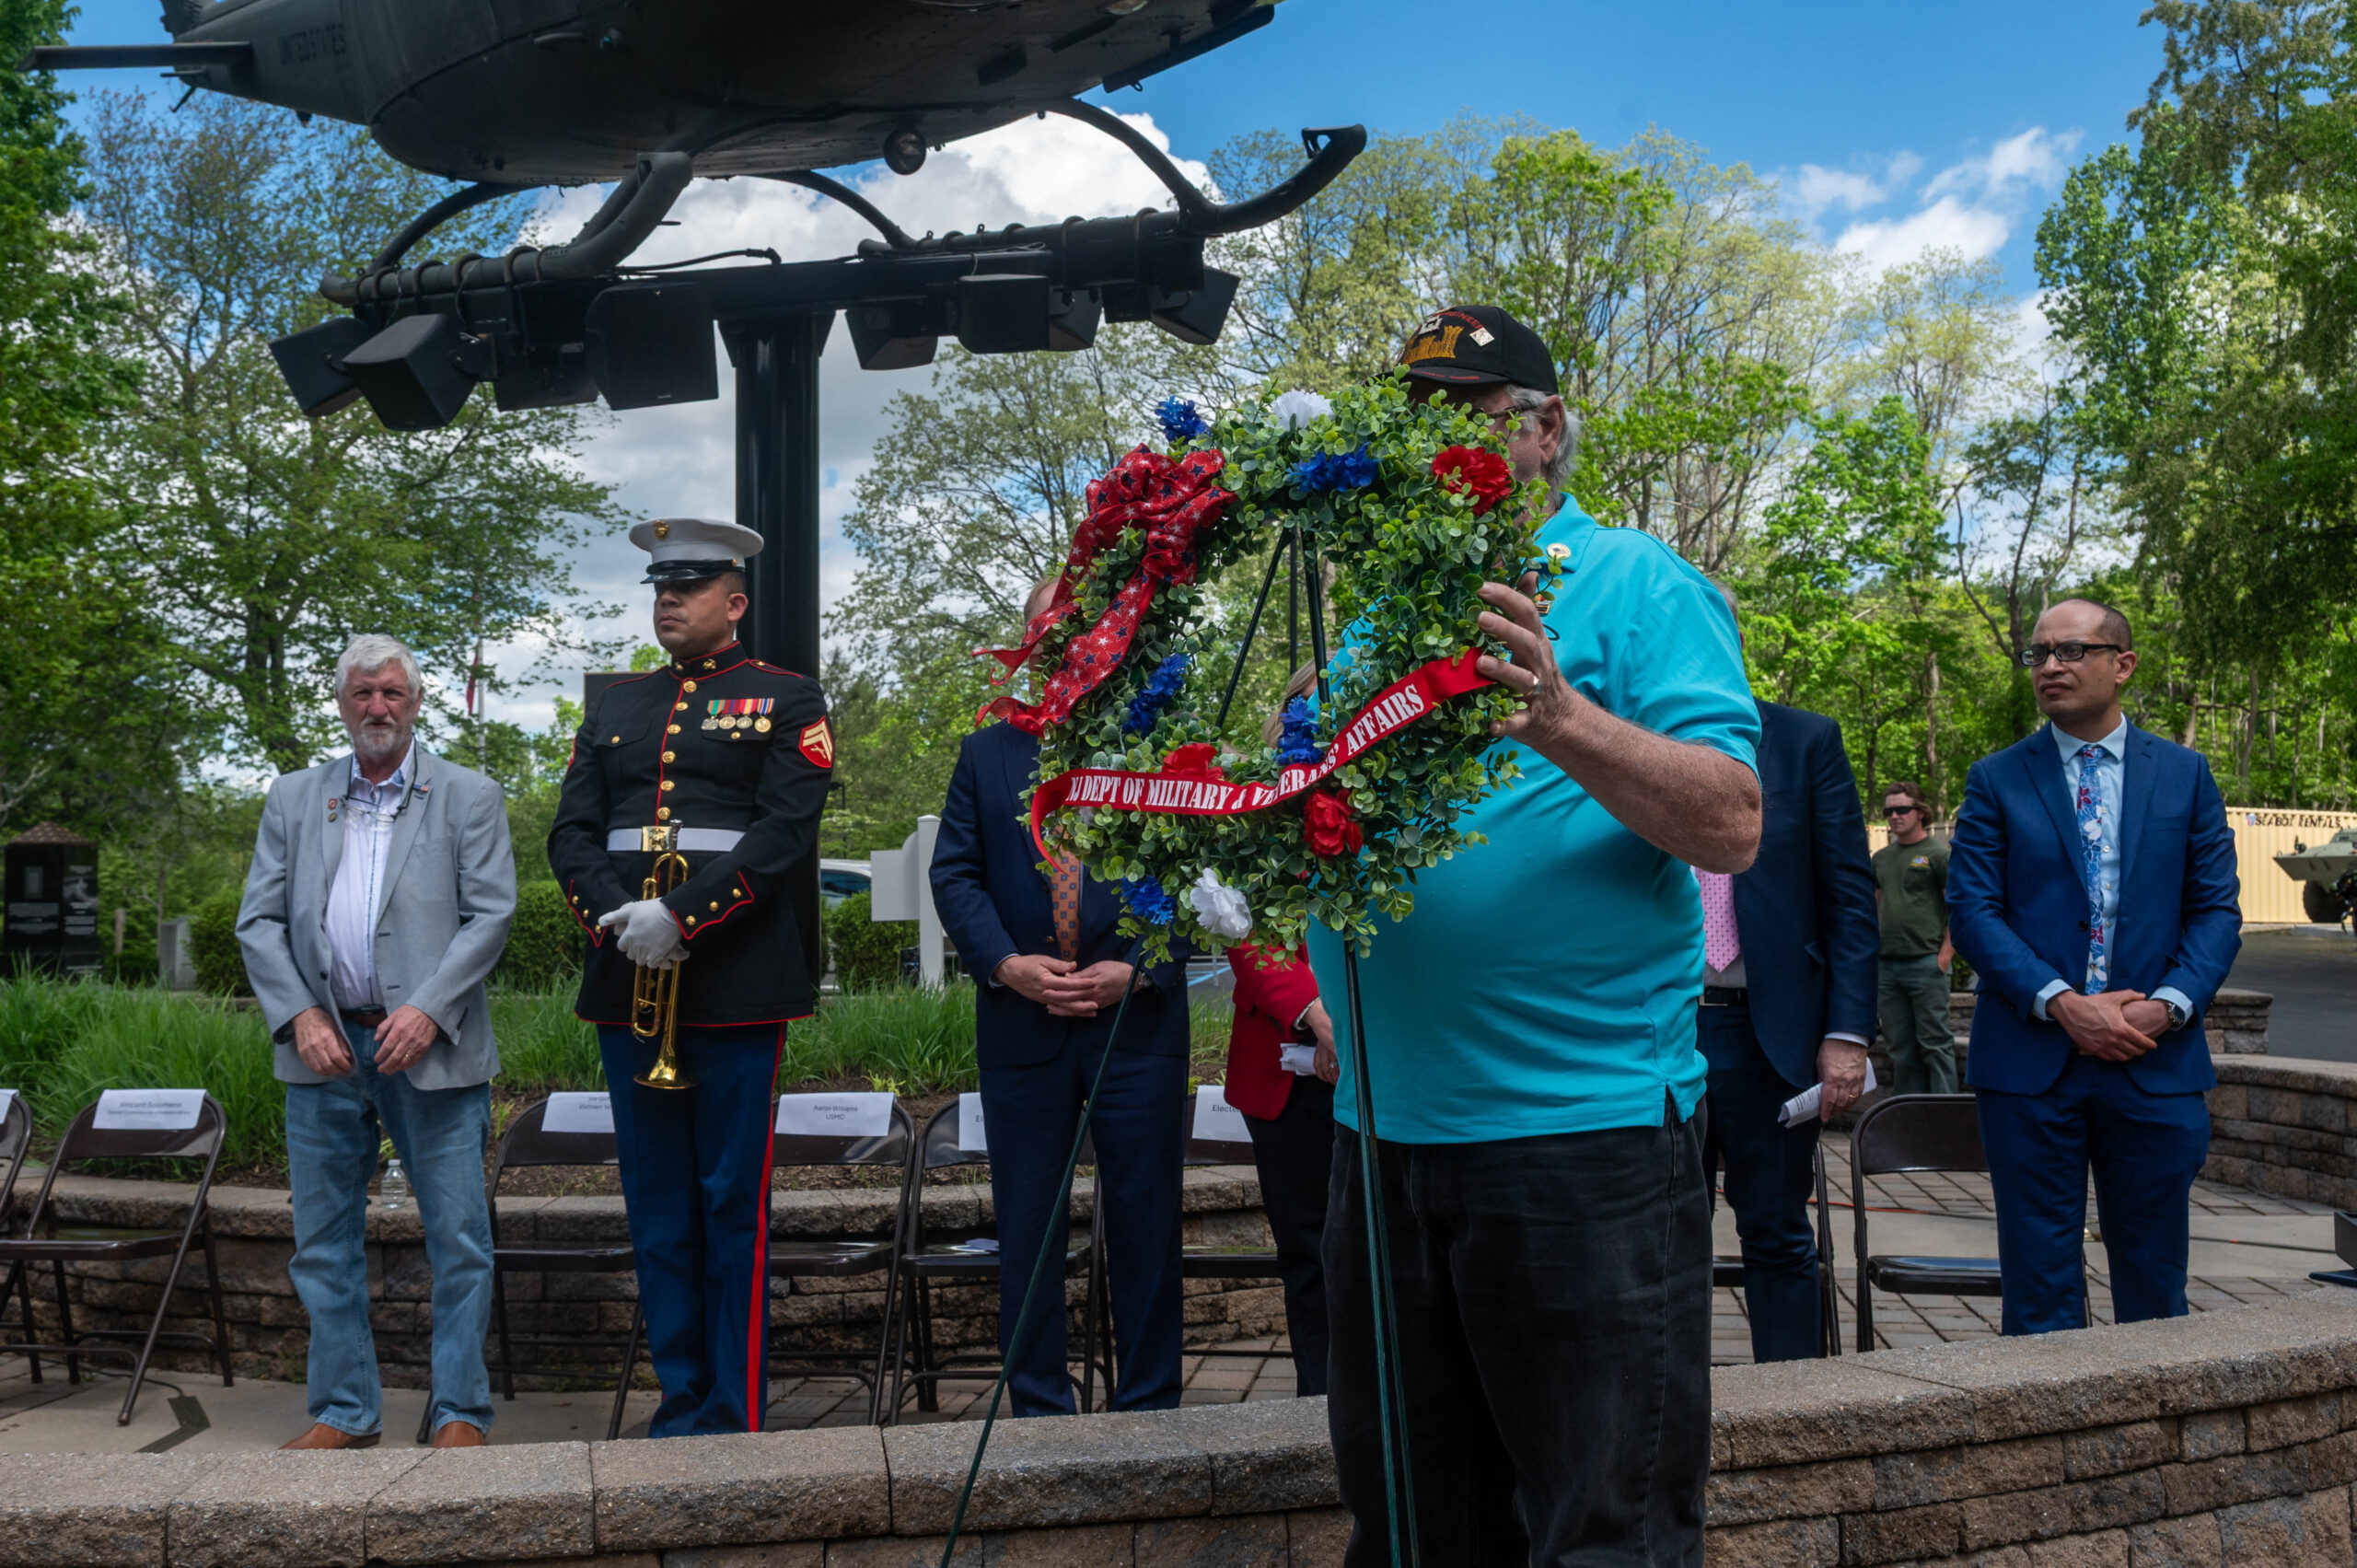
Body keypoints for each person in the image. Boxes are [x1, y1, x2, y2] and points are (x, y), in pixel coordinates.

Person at [1308, 304, 1762, 1565]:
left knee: (1597, 1526)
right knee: (1410, 1521)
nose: (1434, 448)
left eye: (1468, 416)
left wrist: (1563, 715)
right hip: (1382, 1134)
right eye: (1413, 424)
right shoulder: (1373, 619)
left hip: (1580, 1139)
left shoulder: (1634, 581)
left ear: (1545, 427)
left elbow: (1732, 821)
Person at [546, 517, 833, 1435]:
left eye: (689, 585)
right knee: (657, 1205)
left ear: (734, 600)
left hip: (739, 981)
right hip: (629, 981)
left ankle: (733, 1406)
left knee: (730, 1206)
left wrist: (682, 914)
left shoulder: (788, 699)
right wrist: (618, 921)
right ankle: (680, 1397)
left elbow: (783, 834)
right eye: (660, 586)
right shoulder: (614, 703)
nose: (668, 599)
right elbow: (570, 834)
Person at [237, 634, 516, 1450]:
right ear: (341, 702)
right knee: (322, 1246)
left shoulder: (467, 794)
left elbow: (490, 915)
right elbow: (257, 920)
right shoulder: (294, 797)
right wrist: (299, 1015)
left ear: (416, 701)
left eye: (391, 692)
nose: (377, 708)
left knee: (458, 1241)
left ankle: (460, 1410)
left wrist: (428, 1007)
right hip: (322, 1050)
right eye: (362, 693)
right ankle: (344, 1413)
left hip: (431, 1050)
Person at [930, 575, 1191, 1419]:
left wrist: (1144, 968)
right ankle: (1039, 1407)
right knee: (1031, 1229)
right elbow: (955, 873)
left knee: (1146, 1223)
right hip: (1022, 1024)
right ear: (1029, 640)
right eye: (1045, 627)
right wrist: (1005, 963)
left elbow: (1204, 875)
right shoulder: (989, 750)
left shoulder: (1159, 736)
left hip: (1135, 1025)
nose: (1061, 639)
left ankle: (1150, 1405)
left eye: (1076, 625)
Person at [1947, 598, 2241, 1334]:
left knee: (2155, 1289)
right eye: (2039, 653)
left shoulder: (2185, 775)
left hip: (2155, 1059)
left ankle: (2158, 1449)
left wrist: (2167, 1004)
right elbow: (1975, 913)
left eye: (2071, 650)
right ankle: (2048, 1448)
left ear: (2123, 664)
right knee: (2041, 1289)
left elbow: (2217, 912)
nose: (2050, 665)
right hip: (2031, 1061)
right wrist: (2062, 1002)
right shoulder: (1995, 779)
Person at [1695, 598, 1878, 1364]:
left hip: (1768, 1035)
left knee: (1774, 1231)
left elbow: (1848, 898)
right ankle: (1667, 1414)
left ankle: (1791, 1407)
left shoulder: (1805, 740)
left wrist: (1845, 1037)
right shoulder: (1620, 739)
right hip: (1654, 1025)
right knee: (1654, 1239)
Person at [1220, 668, 1343, 1397]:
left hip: (1388, 1064)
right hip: (1286, 1078)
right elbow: (1246, 933)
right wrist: (1316, 1012)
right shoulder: (1250, 810)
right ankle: (1319, 1410)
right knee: (1309, 1254)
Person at [1874, 780, 1957, 1093]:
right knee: (1900, 1049)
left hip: (1926, 964)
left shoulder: (1939, 855)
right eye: (1888, 811)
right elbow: (1876, 907)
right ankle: (1908, 1120)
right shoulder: (1880, 859)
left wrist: (1945, 955)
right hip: (1888, 967)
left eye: (1902, 809)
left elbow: (1958, 909)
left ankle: (1945, 1119)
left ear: (1920, 812)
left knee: (1935, 1044)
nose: (1894, 816)